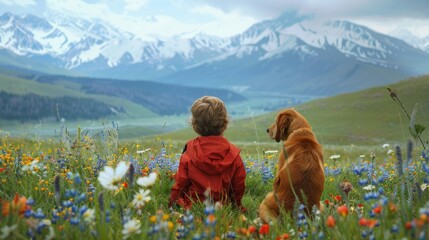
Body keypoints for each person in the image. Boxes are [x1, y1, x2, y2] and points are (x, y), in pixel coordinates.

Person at [168, 96, 246, 212]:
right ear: (225, 122)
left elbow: (180, 185)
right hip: (222, 212)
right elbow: (238, 188)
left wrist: (171, 206)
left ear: (195, 125)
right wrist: (237, 207)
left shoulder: (189, 154)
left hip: (191, 211)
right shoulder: (234, 155)